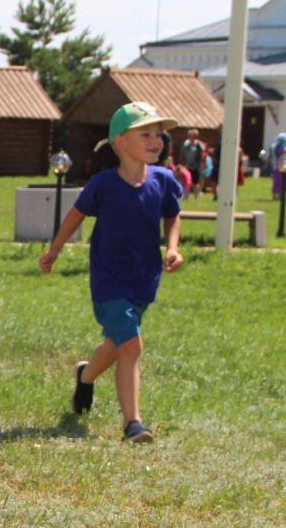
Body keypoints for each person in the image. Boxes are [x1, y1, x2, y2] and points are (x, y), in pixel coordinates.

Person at [38, 102, 182, 445]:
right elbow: (76, 216)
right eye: (144, 133)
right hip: (109, 281)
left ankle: (85, 376)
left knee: (117, 345)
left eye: (158, 134)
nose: (155, 140)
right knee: (132, 346)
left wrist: (173, 247)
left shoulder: (163, 181)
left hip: (144, 279)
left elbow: (172, 215)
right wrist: (54, 250)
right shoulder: (103, 185)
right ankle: (133, 423)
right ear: (120, 142)